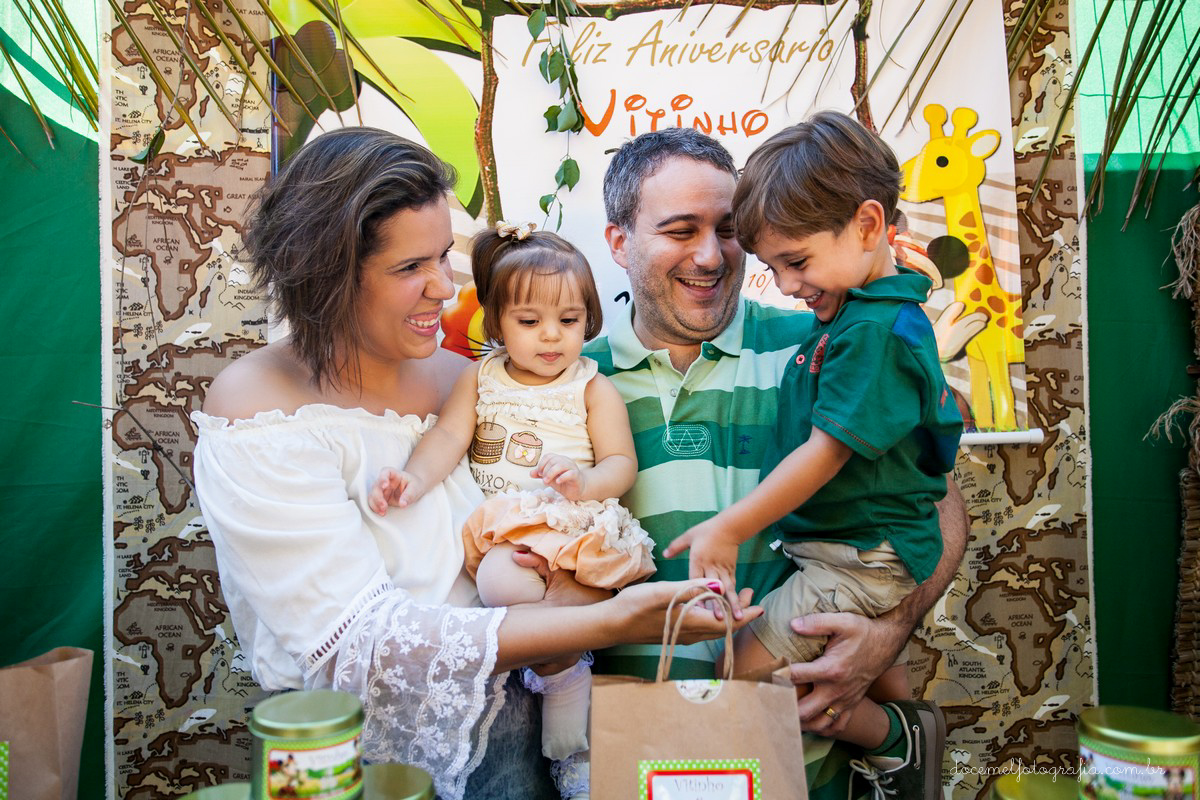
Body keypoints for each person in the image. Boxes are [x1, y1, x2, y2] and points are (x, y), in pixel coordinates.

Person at [189, 127, 755, 800]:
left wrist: (581, 589)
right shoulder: (259, 407)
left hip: (543, 738)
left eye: (442, 258)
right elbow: (355, 645)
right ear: (328, 272)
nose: (443, 287)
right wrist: (613, 620)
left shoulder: (471, 376)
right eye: (410, 268)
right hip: (364, 767)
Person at [586, 126, 968, 799]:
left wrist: (887, 632)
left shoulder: (820, 341)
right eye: (680, 230)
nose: (710, 256)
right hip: (633, 760)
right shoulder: (567, 378)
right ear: (619, 241)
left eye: (728, 230)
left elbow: (933, 498)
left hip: (802, 768)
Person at [368, 223, 656, 800]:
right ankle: (567, 683)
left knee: (508, 584)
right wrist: (413, 478)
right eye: (530, 322)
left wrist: (583, 480)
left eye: (569, 322)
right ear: (497, 322)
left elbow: (622, 462)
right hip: (507, 528)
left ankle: (565, 686)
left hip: (571, 525)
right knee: (502, 580)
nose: (552, 337)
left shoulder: (592, 388)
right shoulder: (480, 378)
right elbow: (449, 437)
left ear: (588, 319)